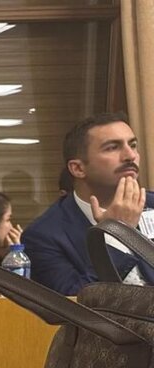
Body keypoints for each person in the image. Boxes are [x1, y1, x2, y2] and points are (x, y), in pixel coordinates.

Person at [21, 112, 154, 295]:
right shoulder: (43, 236)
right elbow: (77, 301)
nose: (130, 155)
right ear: (78, 168)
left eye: (132, 145)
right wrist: (117, 234)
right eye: (112, 148)